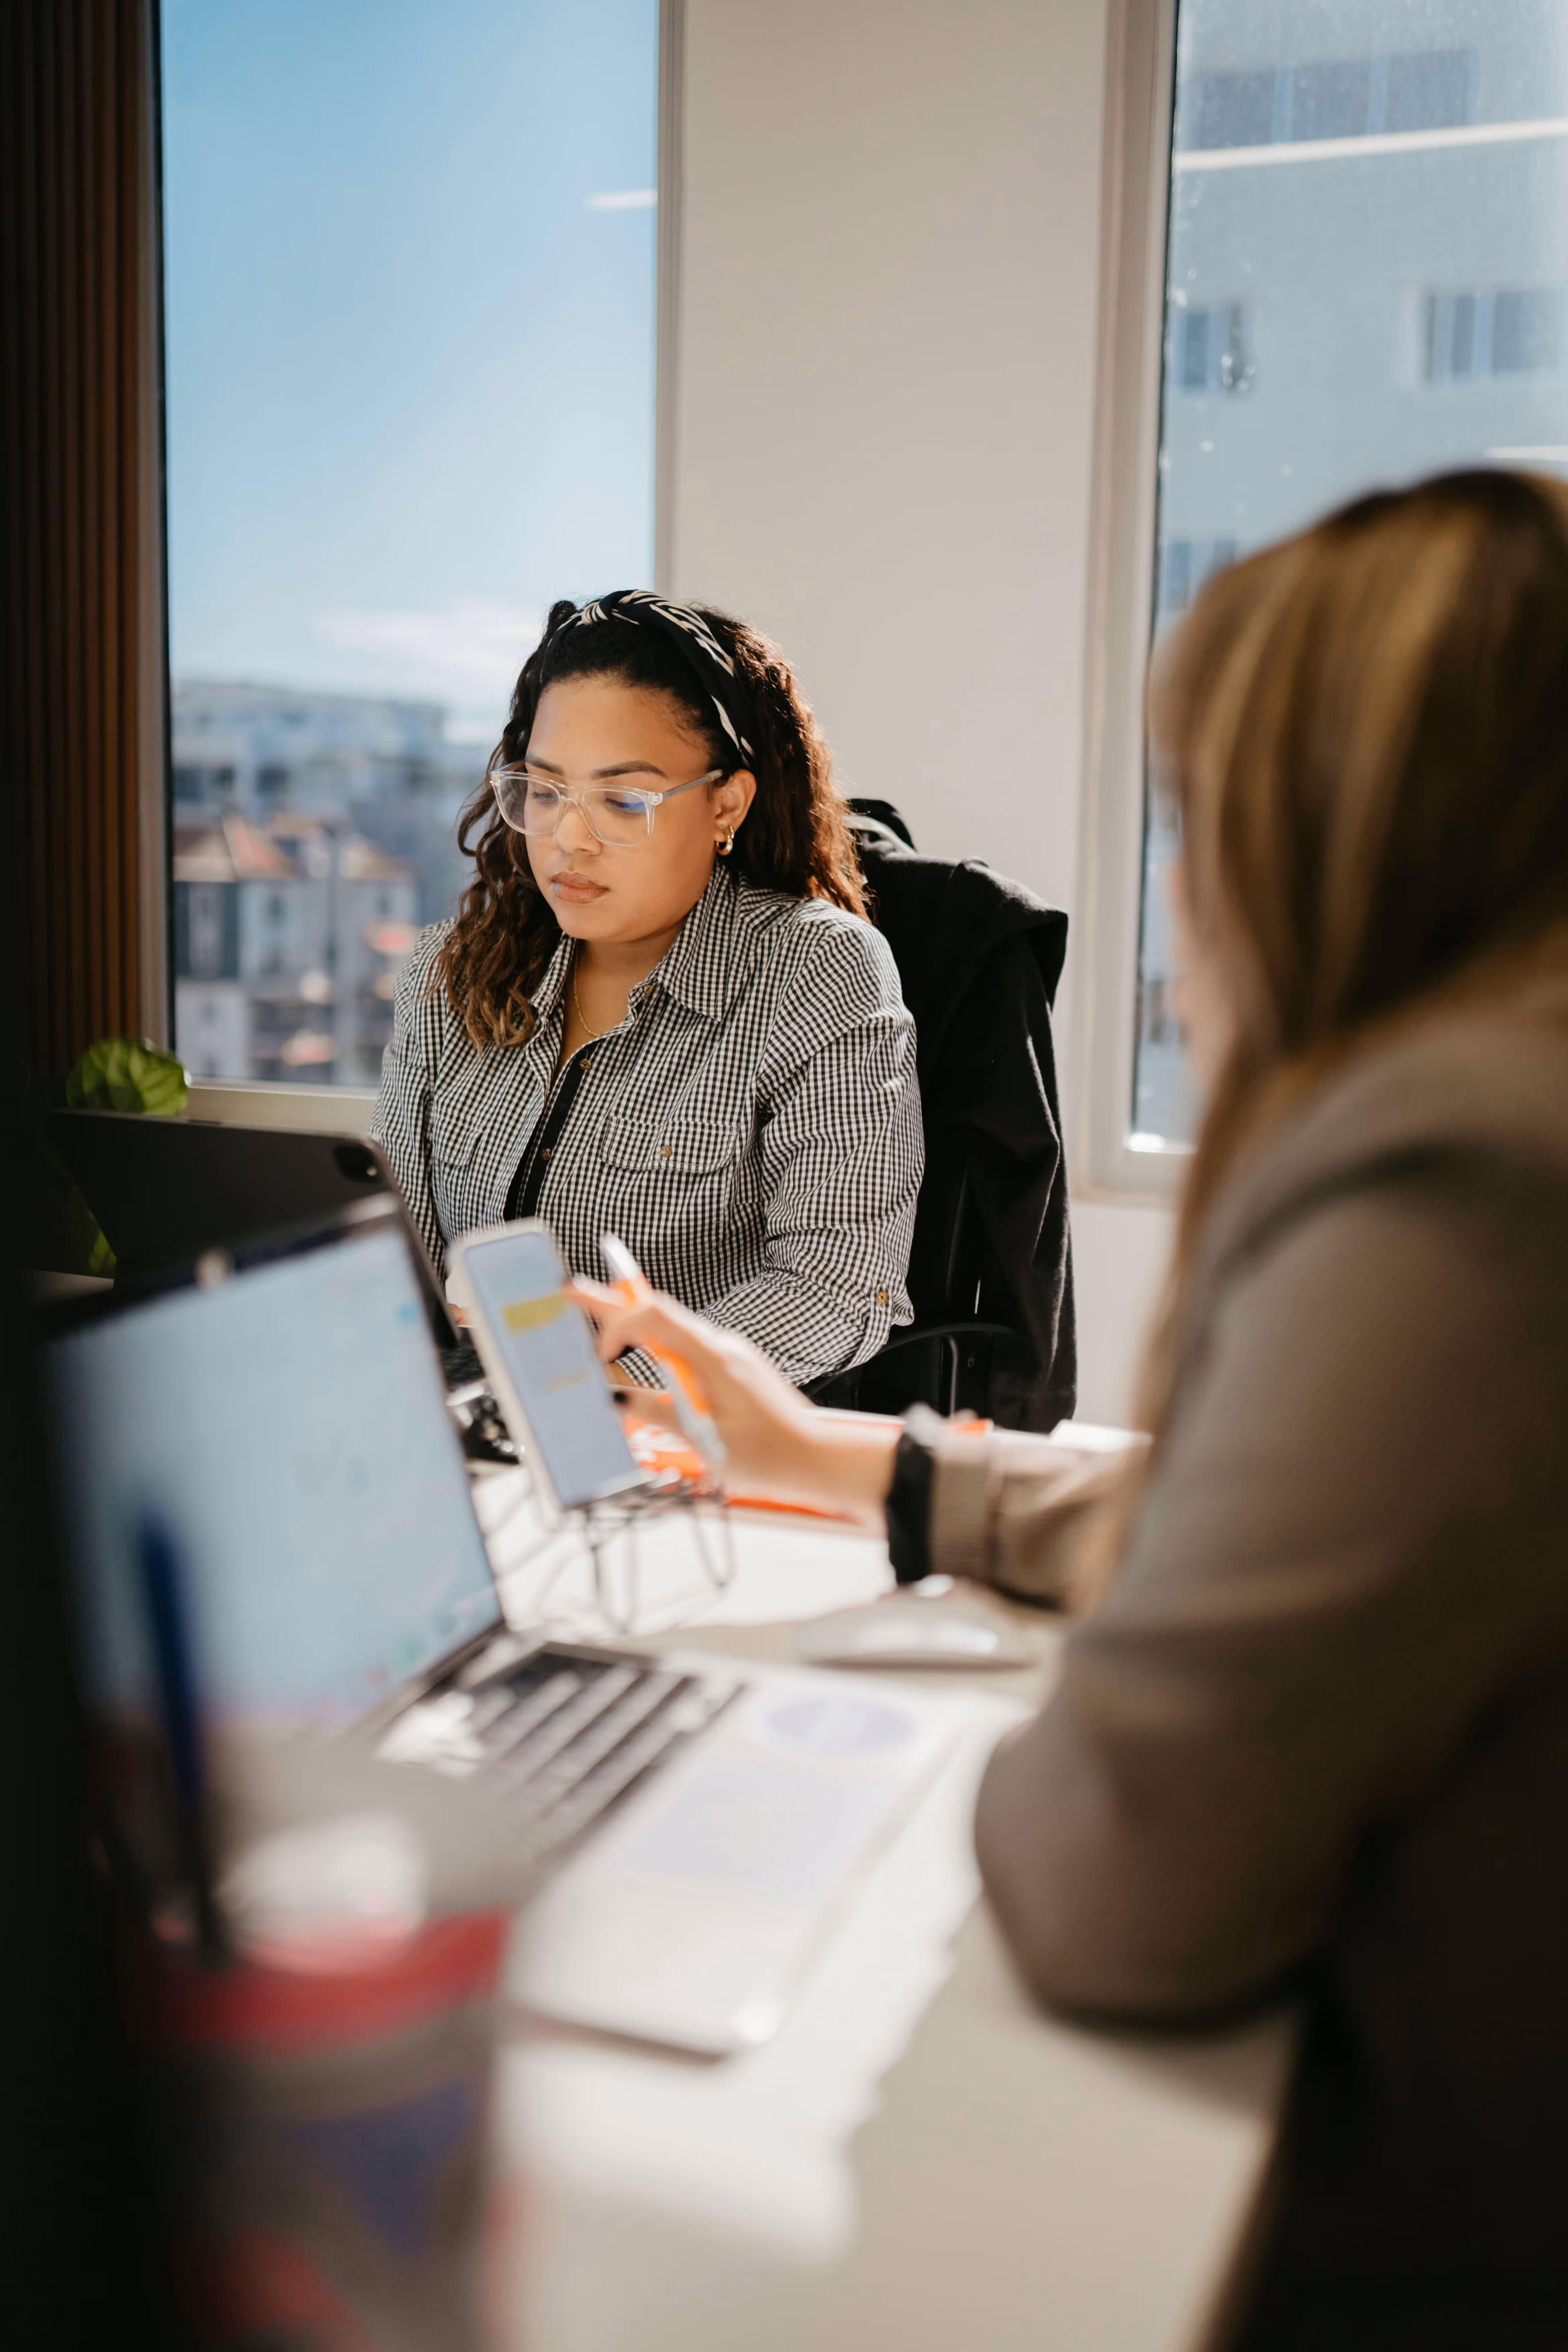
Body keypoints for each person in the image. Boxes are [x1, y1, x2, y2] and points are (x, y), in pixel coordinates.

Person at [573, 473, 1568, 2349]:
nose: (1177, 900)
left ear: (1345, 833)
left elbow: (1123, 1884)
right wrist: (840, 1460)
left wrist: (958, 1762)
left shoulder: (1459, 1182)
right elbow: (1263, 1527)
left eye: (1198, 821)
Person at [373, 591, 922, 1388]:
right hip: (462, 1434)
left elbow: (835, 1292)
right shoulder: (448, 974)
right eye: (547, 790)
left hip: (680, 1454)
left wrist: (587, 1398)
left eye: (623, 801)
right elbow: (401, 1263)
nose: (568, 837)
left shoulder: (814, 974)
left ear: (724, 804)